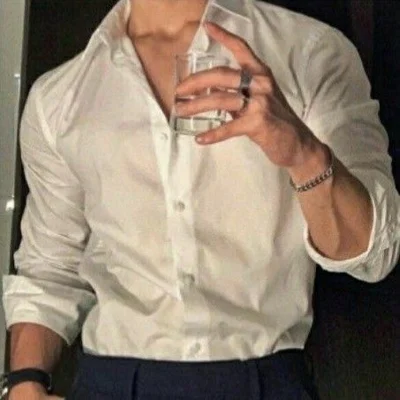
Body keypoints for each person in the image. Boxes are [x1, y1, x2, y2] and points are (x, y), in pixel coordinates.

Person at [2, 0, 399, 399]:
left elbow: (374, 253)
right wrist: (24, 382)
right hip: (111, 380)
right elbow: (50, 267)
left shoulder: (309, 52)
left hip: (264, 378)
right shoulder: (59, 97)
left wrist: (304, 154)